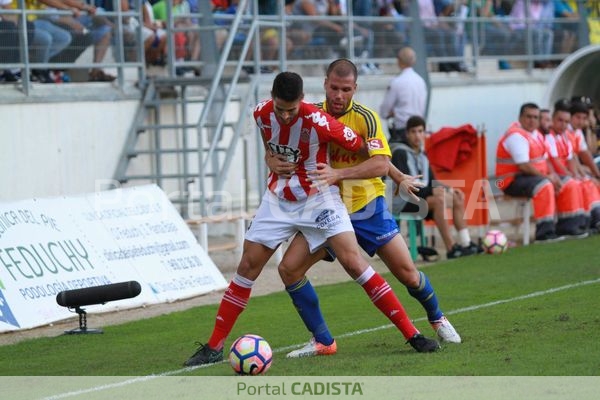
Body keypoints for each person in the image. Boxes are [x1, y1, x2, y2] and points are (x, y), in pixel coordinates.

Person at [183, 71, 439, 367]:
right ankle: (214, 346)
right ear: (272, 100)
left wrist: (393, 174)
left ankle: (412, 333)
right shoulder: (260, 112)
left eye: (292, 109)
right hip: (278, 199)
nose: (286, 115)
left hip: (320, 198)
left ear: (302, 101)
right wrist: (269, 157)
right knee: (248, 266)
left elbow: (366, 151)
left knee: (354, 263)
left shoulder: (320, 121)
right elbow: (270, 140)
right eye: (281, 109)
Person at [264, 59, 459, 359]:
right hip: (325, 212)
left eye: (345, 89)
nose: (339, 95)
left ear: (355, 88)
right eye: (334, 88)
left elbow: (379, 160)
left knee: (407, 273)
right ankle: (322, 340)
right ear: (325, 83)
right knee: (289, 269)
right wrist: (270, 160)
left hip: (366, 207)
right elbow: (278, 144)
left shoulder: (366, 118)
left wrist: (349, 174)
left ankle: (437, 317)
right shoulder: (308, 114)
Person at [390, 115, 481, 259]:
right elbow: (406, 186)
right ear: (407, 134)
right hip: (402, 201)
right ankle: (451, 248)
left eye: (420, 131)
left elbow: (432, 181)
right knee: (438, 200)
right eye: (413, 132)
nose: (417, 136)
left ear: (424, 133)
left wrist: (449, 189)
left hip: (421, 199)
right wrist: (434, 190)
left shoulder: (422, 155)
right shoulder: (400, 152)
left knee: (456, 198)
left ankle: (466, 243)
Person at [495, 102, 584, 242]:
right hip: (509, 181)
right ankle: (544, 233)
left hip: (531, 177)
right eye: (528, 117)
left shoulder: (536, 134)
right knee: (544, 186)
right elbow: (524, 165)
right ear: (520, 118)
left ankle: (569, 226)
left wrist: (554, 176)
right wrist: (548, 178)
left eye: (536, 117)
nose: (532, 120)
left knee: (569, 183)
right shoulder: (516, 135)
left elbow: (545, 160)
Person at [544, 100, 598, 234]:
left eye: (566, 122)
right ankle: (569, 225)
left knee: (586, 182)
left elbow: (572, 159)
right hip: (552, 174)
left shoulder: (565, 136)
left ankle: (591, 221)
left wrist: (577, 175)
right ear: (553, 119)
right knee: (574, 184)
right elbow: (554, 161)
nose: (563, 125)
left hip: (563, 173)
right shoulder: (549, 136)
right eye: (560, 121)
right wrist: (572, 176)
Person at [379, 46, 427, 144]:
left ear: (399, 61)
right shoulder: (421, 81)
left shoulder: (397, 82)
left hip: (402, 131)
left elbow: (384, 111)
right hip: (419, 130)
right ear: (414, 61)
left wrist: (393, 113)